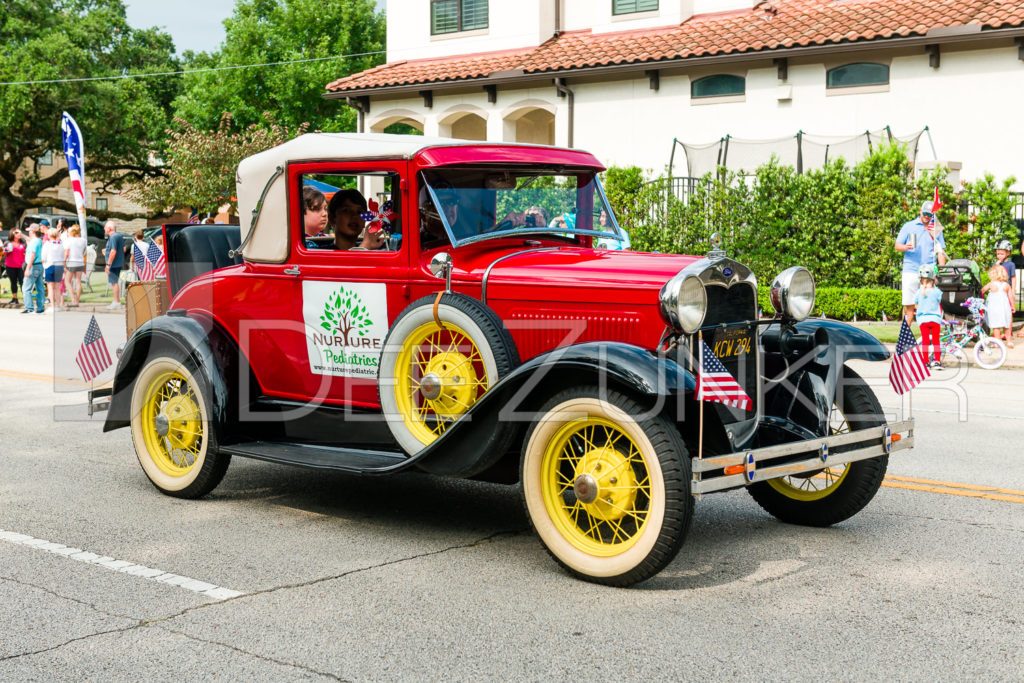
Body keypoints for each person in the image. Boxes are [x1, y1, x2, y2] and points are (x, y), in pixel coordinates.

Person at [895, 200, 947, 323]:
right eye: (925, 213)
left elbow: (941, 251)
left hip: (928, 272)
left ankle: (928, 336)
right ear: (920, 211)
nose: (926, 216)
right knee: (909, 305)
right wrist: (905, 247)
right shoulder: (909, 226)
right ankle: (905, 335)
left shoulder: (936, 228)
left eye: (930, 214)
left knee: (929, 305)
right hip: (911, 270)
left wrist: (942, 271)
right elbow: (897, 246)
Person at [914, 264, 943, 370]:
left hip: (923, 320)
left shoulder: (918, 292)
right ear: (933, 278)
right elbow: (939, 301)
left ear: (921, 280)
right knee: (936, 341)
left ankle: (925, 362)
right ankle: (937, 362)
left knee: (925, 341)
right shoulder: (937, 291)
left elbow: (916, 304)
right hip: (935, 320)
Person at [982, 264, 1014, 348]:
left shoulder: (991, 284)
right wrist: (1013, 306)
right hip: (1005, 308)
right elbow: (1011, 297)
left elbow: (982, 290)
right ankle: (1009, 342)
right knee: (1006, 325)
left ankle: (998, 343)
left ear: (992, 274)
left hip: (994, 308)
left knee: (996, 326)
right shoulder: (1007, 285)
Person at [21, 224, 45, 314]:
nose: (29, 232)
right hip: (39, 266)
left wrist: (27, 268)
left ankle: (29, 307)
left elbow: (32, 255)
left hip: (33, 266)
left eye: (30, 231)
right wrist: (22, 235)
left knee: (26, 288)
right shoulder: (39, 240)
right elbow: (29, 240)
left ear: (33, 232)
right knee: (39, 288)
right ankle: (40, 307)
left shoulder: (34, 242)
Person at [102, 220, 125, 309]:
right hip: (118, 262)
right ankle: (116, 301)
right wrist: (106, 251)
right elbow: (123, 249)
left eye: (105, 227)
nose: (104, 229)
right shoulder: (119, 236)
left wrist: (108, 264)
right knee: (114, 282)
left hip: (113, 264)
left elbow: (113, 251)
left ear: (109, 228)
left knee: (114, 283)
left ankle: (117, 302)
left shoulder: (113, 237)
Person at [64, 225, 88, 307]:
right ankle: (77, 301)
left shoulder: (69, 240)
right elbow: (84, 252)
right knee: (78, 281)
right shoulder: (83, 241)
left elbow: (66, 253)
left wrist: (64, 264)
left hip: (71, 262)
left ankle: (73, 300)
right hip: (80, 262)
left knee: (67, 281)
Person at [42, 227, 65, 312]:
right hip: (59, 266)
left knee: (50, 287)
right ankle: (58, 306)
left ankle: (52, 306)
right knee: (57, 287)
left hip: (50, 266)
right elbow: (63, 256)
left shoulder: (47, 244)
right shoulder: (61, 244)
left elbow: (43, 257)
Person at [3, 228, 26, 305]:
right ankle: (14, 299)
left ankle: (26, 299)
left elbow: (27, 252)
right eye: (17, 232)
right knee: (13, 282)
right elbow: (3, 252)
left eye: (20, 232)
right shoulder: (8, 242)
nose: (19, 234)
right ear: (12, 234)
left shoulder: (23, 243)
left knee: (22, 282)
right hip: (10, 266)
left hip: (21, 266)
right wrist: (7, 249)